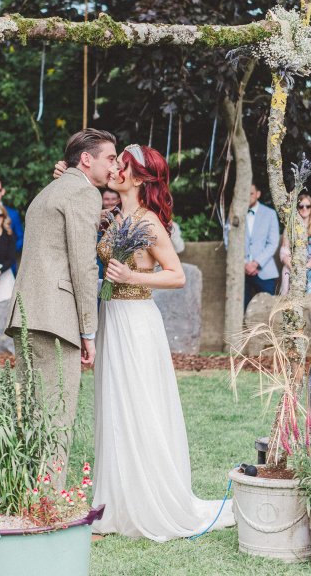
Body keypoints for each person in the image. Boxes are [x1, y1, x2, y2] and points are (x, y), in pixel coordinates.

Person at [90, 143, 234, 541]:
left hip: (137, 322)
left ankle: (145, 501)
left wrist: (133, 277)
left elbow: (177, 275)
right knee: (114, 405)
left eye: (123, 166)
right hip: (112, 319)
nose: (115, 169)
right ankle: (114, 503)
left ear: (138, 177)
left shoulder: (149, 222)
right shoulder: (118, 216)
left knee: (138, 404)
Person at [5, 128, 117, 486]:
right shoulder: (84, 193)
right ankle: (49, 505)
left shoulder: (48, 192)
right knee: (56, 416)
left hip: (26, 313)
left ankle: (24, 495)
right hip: (56, 318)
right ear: (87, 159)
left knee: (31, 415)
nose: (113, 166)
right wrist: (89, 331)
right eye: (110, 158)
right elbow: (84, 265)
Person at [244, 183, 280, 309]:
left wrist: (256, 263)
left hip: (264, 270)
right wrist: (244, 263)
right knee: (241, 311)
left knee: (269, 310)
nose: (247, 196)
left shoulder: (270, 214)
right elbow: (228, 241)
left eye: (251, 193)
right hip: (241, 271)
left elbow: (273, 242)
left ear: (258, 194)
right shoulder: (235, 213)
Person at [280, 194, 311, 295]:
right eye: (301, 206)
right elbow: (284, 250)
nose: (304, 209)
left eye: (308, 206)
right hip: (292, 269)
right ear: (297, 208)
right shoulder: (289, 228)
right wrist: (294, 268)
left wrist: (306, 267)